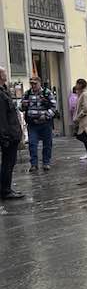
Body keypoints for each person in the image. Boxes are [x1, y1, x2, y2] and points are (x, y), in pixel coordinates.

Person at [21, 76, 57, 172]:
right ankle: (34, 164)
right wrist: (23, 105)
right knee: (32, 144)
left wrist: (46, 115)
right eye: (31, 83)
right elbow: (21, 108)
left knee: (47, 144)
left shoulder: (47, 93)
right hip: (32, 124)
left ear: (39, 83)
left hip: (45, 123)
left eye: (35, 83)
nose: (33, 85)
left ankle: (46, 163)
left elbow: (54, 107)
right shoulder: (27, 94)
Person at [0, 67, 24, 200]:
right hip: (8, 136)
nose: (6, 75)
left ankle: (6, 188)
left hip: (12, 134)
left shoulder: (4, 91)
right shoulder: (0, 94)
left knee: (9, 163)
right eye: (4, 73)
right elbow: (2, 118)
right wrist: (4, 137)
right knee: (7, 163)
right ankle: (5, 190)